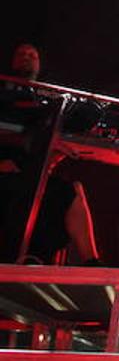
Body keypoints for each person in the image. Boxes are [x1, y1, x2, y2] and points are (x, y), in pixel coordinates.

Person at [0, 42, 101, 266]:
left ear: (39, 63)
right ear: (12, 60)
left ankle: (92, 264)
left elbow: (45, 150)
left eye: (32, 55)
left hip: (30, 176)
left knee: (72, 191)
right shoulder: (3, 93)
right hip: (5, 172)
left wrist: (53, 155)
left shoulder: (48, 101)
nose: (26, 57)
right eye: (21, 53)